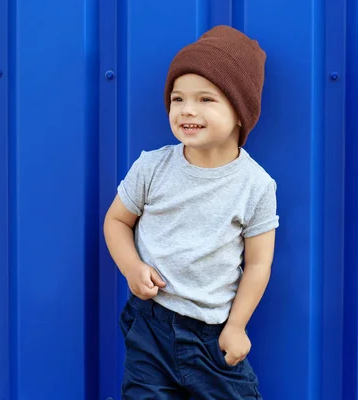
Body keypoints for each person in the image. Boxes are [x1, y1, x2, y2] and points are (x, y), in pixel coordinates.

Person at [103, 25, 279, 399]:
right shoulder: (152, 168)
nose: (187, 110)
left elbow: (259, 265)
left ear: (240, 112)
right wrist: (132, 268)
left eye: (205, 99)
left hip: (212, 337)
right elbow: (116, 221)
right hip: (150, 324)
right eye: (178, 98)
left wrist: (237, 326)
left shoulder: (256, 185)